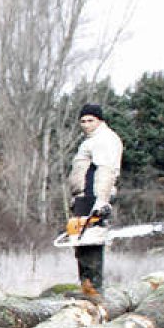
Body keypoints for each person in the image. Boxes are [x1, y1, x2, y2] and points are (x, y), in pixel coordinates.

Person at [66, 102, 123, 294]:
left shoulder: (104, 139)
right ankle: (87, 287)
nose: (86, 124)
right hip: (84, 196)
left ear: (99, 120)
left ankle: (93, 290)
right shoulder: (91, 140)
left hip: (93, 196)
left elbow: (105, 171)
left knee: (90, 241)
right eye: (83, 121)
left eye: (90, 120)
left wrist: (101, 200)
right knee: (80, 242)